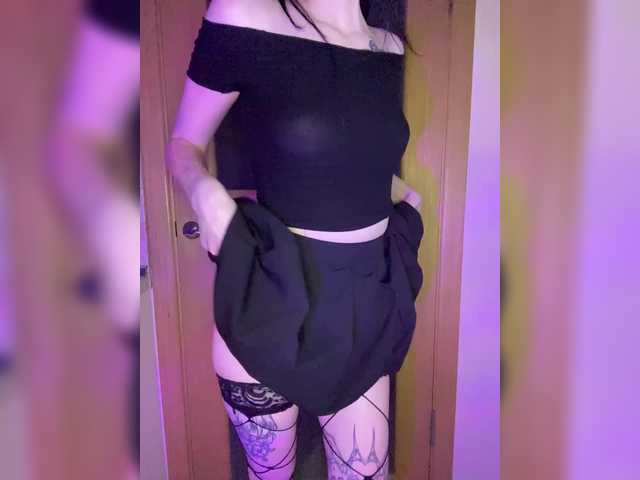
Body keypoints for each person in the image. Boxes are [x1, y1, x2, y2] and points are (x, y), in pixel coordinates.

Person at [166, 1, 424, 478]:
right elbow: (184, 144)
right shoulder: (244, 15)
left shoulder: (387, 47)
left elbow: (346, 151)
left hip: (363, 307)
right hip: (274, 297)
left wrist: (404, 195)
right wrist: (206, 194)